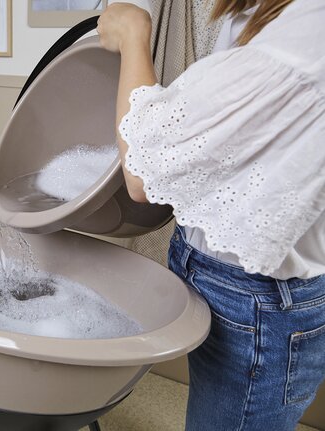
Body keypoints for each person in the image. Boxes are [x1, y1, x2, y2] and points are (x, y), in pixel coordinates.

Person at [96, 1, 325, 430]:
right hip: (217, 275)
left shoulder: (310, 28)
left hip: (260, 303)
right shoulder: (258, 14)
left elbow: (142, 174)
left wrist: (133, 34)